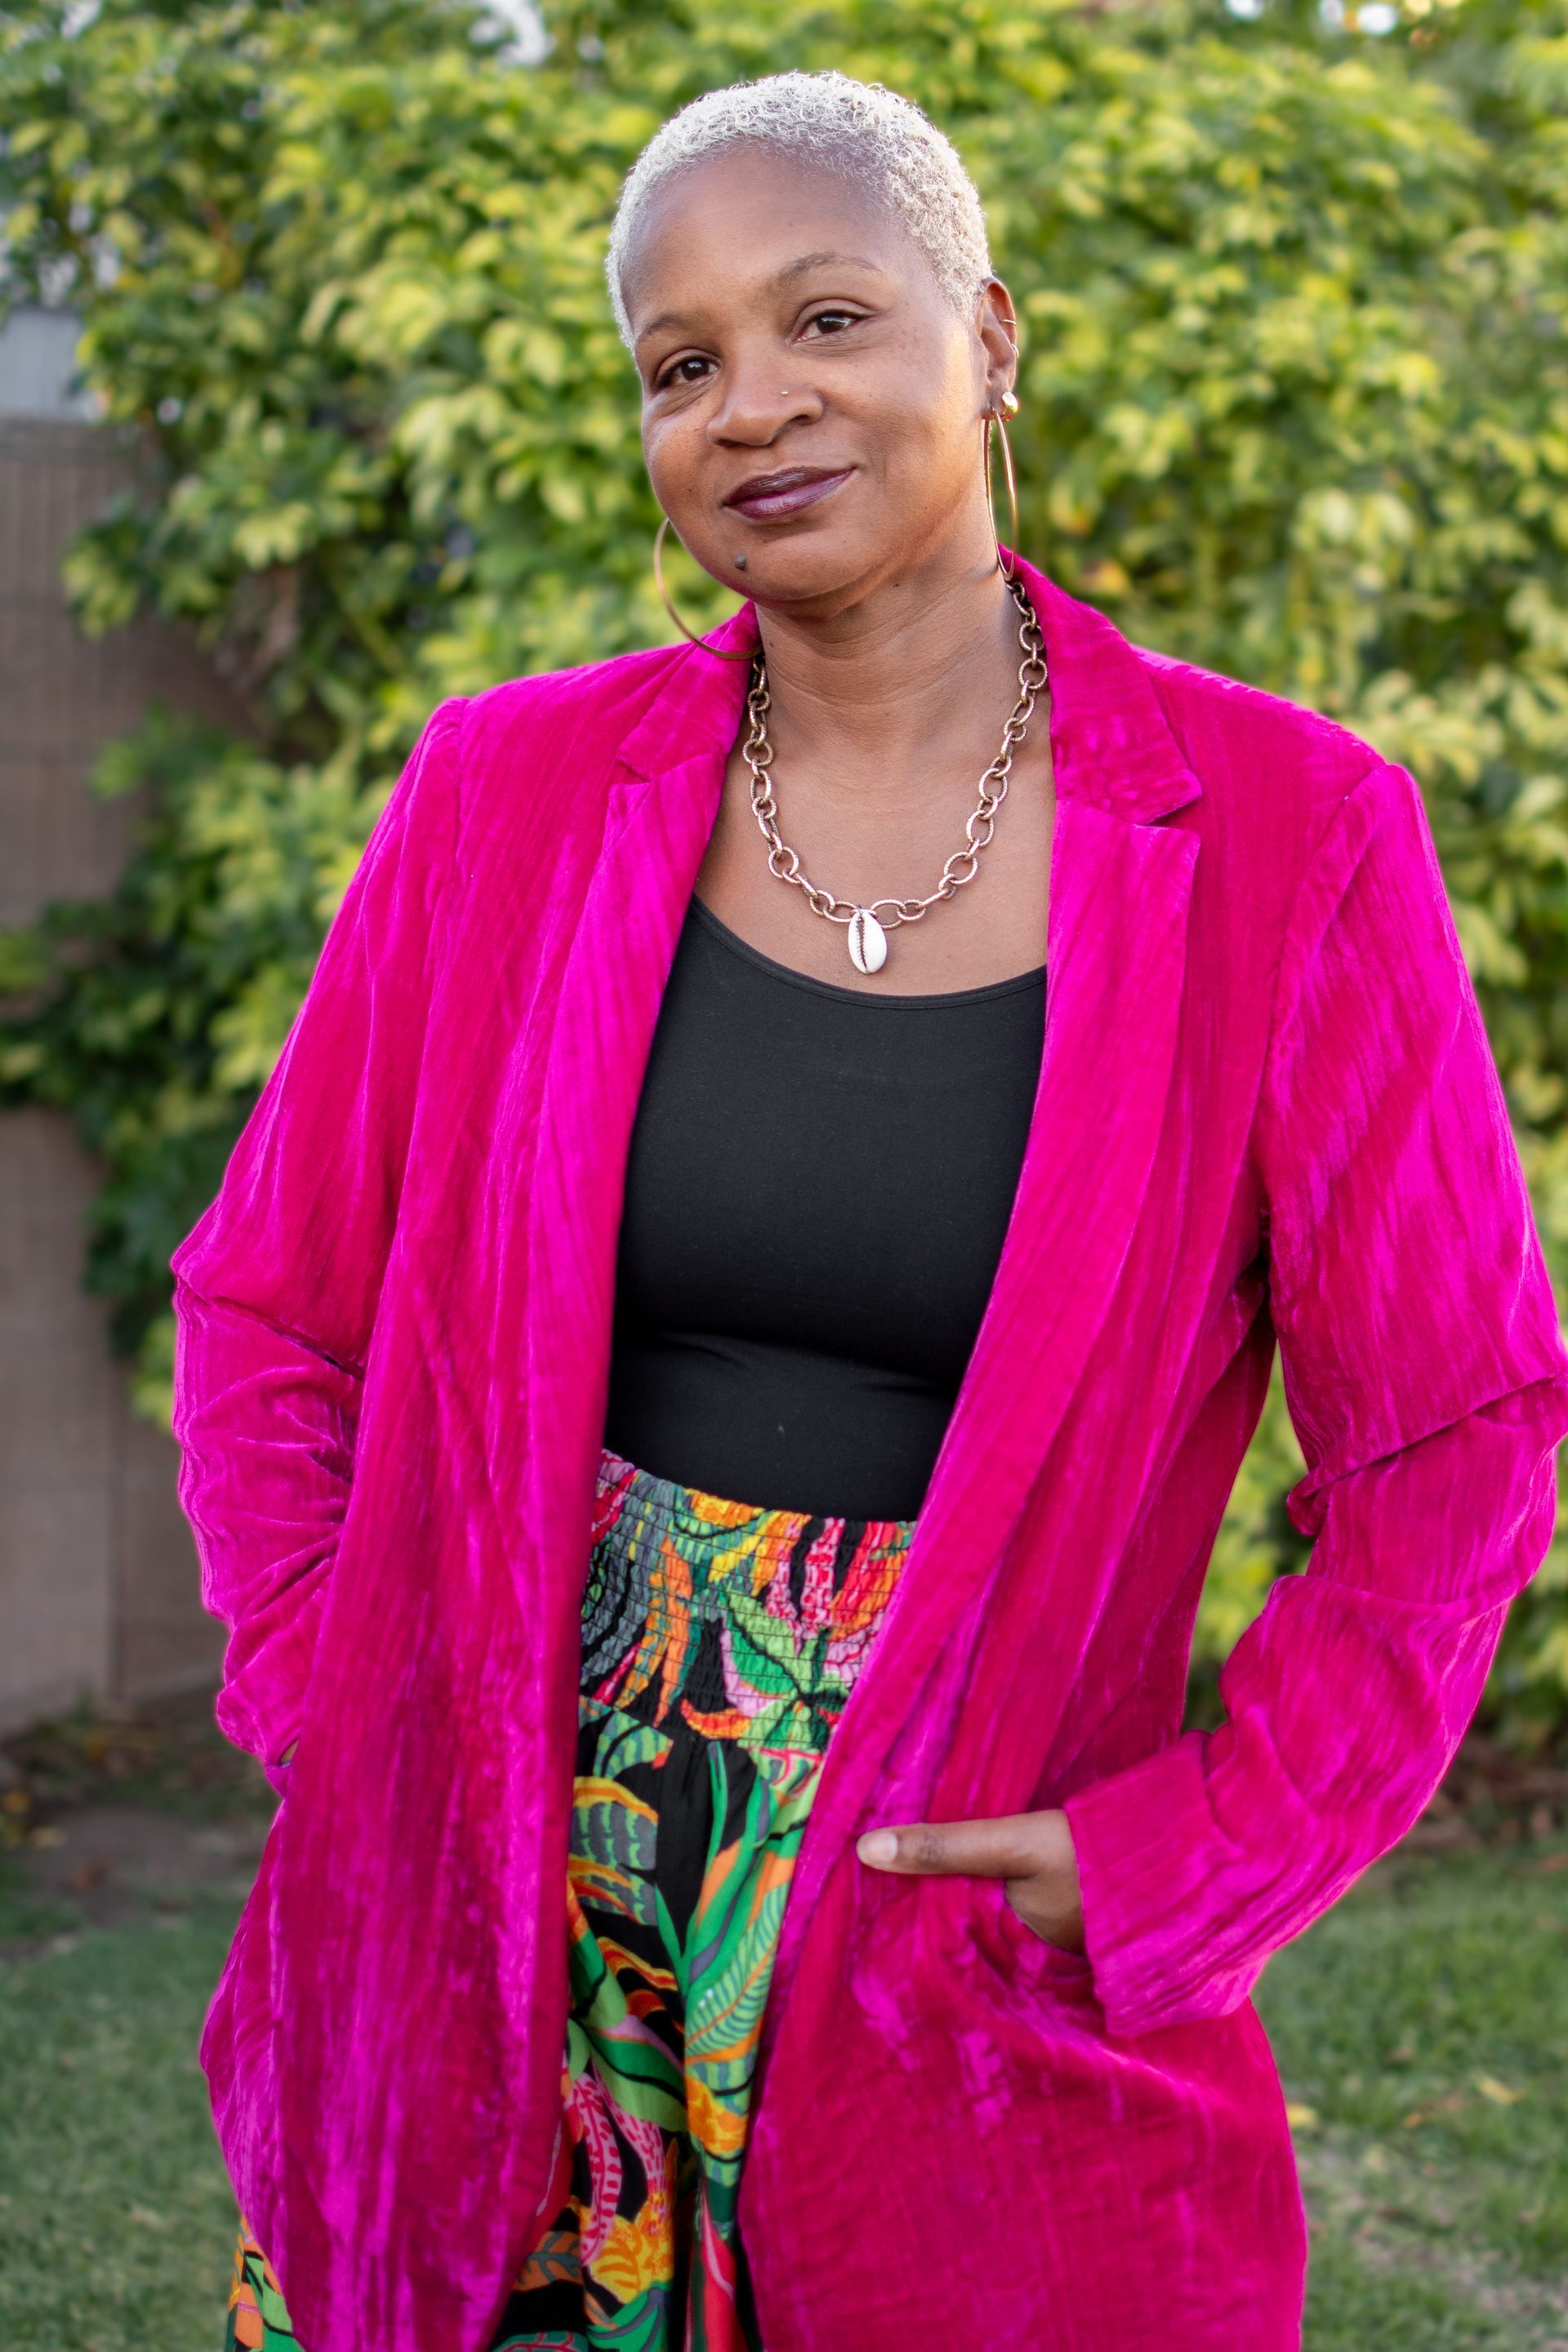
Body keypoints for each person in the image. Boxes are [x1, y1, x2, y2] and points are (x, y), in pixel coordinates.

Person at [172, 69, 1568, 2352]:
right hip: (489, 1924)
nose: (750, 405)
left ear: (989, 335)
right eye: (680, 363)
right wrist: (348, 1706)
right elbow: (267, 1310)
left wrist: (1187, 1850)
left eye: (825, 315)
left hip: (955, 1950)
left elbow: (1458, 1442)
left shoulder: (1287, 839)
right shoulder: (507, 794)